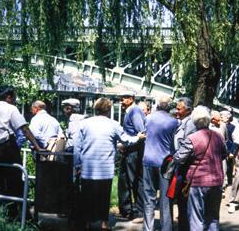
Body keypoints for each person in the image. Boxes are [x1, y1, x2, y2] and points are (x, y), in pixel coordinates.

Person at [74, 97, 145, 230]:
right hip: (105, 168)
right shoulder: (113, 124)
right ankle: (104, 223)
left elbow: (77, 147)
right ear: (108, 110)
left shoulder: (84, 124)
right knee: (104, 196)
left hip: (88, 168)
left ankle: (88, 222)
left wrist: (77, 165)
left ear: (96, 109)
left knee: (87, 196)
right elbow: (126, 140)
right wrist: (138, 137)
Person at [0, 86, 41, 218]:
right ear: (9, 97)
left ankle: (8, 213)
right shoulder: (10, 108)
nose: (15, 100)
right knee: (17, 182)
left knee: (1, 182)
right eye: (14, 97)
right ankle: (23, 216)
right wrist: (38, 147)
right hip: (7, 148)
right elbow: (24, 129)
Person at [173, 106, 226, 231]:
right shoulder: (218, 136)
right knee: (213, 217)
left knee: (196, 218)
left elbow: (179, 158)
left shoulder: (192, 138)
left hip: (198, 182)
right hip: (217, 181)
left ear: (194, 121)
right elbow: (224, 154)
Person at [143, 96, 179, 231]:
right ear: (170, 106)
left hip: (148, 160)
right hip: (165, 162)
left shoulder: (148, 118)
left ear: (157, 105)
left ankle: (148, 227)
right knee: (165, 198)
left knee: (148, 197)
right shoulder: (174, 122)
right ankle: (166, 227)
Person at [118, 91, 146, 222]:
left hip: (134, 152)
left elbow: (141, 133)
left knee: (134, 180)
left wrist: (128, 145)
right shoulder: (131, 111)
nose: (120, 101)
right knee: (125, 180)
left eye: (123, 98)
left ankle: (139, 212)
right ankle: (127, 210)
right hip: (130, 150)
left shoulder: (135, 111)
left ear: (131, 99)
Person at [173, 97, 196, 231]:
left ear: (187, 110)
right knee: (182, 201)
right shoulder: (183, 121)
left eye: (179, 109)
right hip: (181, 164)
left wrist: (177, 158)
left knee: (184, 200)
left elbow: (188, 146)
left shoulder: (190, 123)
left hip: (185, 166)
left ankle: (185, 227)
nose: (176, 111)